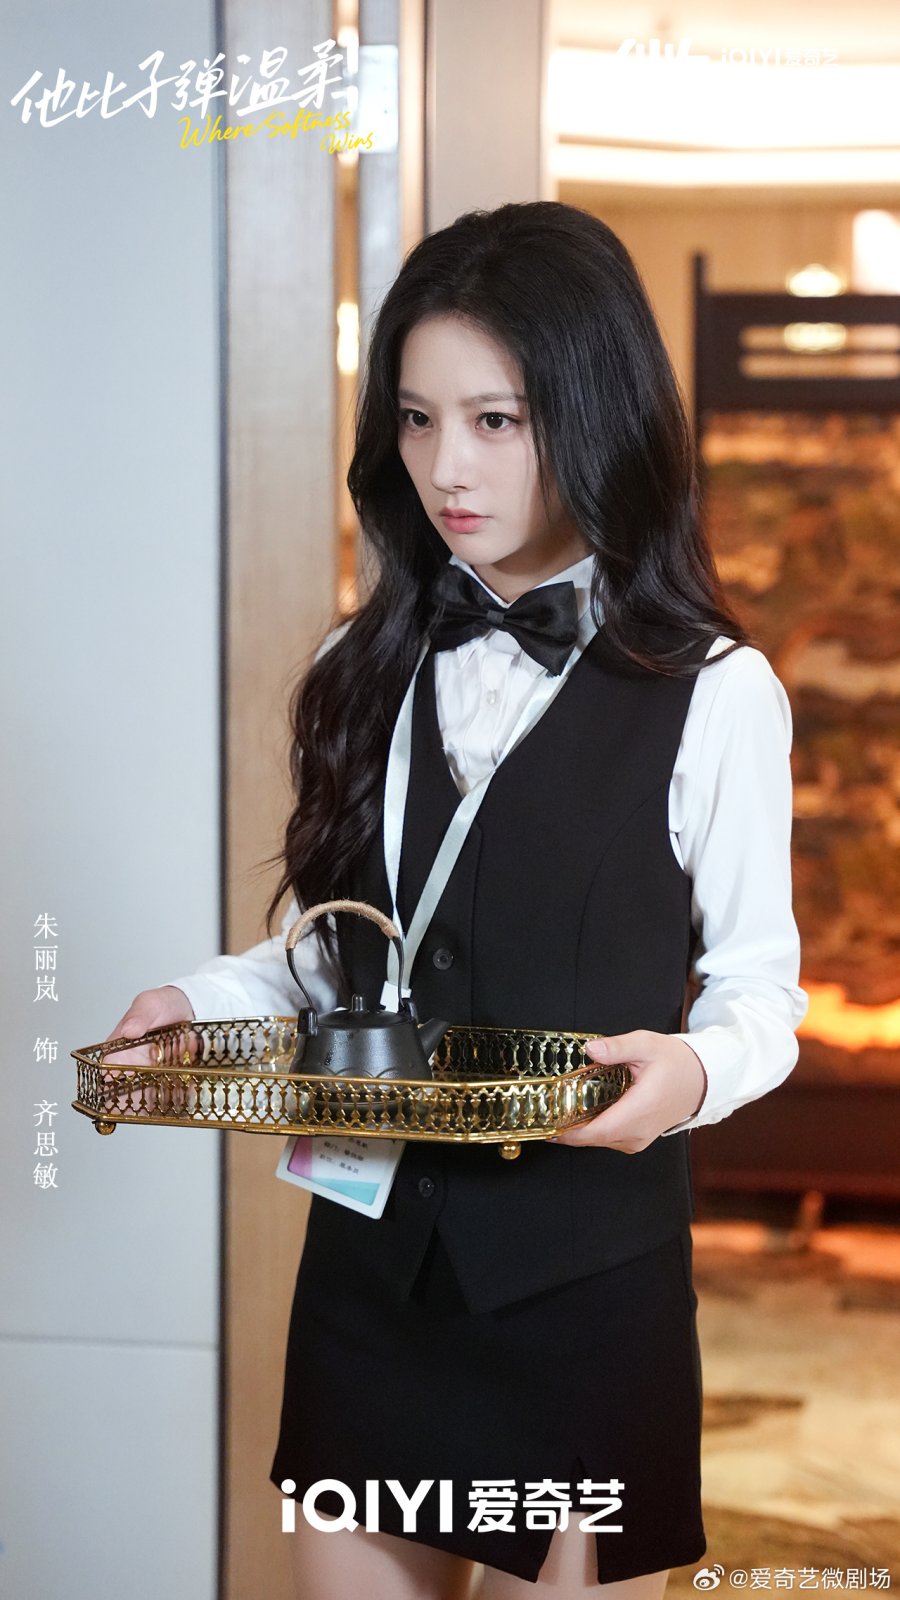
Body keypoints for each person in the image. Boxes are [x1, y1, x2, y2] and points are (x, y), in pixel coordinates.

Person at [106, 201, 808, 1599]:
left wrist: (691, 1073)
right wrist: (198, 997)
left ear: (593, 414)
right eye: (419, 420)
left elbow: (762, 992)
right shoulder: (364, 664)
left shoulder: (719, 694)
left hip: (579, 1288)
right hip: (373, 1281)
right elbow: (343, 957)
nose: (446, 467)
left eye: (497, 421)